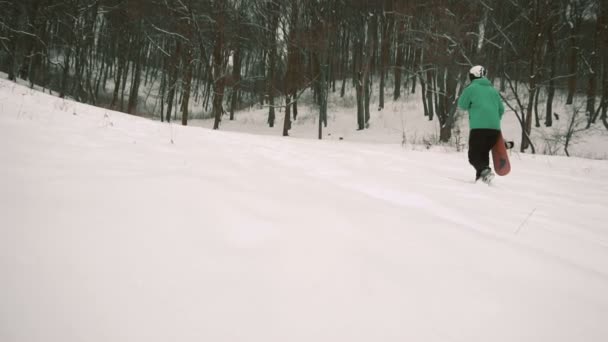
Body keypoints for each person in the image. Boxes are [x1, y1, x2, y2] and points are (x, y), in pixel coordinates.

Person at [457, 65, 505, 183]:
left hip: (479, 128)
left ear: (472, 76)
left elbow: (462, 105)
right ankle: (481, 179)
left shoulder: (471, 88)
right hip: (494, 129)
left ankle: (485, 171)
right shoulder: (493, 90)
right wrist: (493, 120)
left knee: (473, 156)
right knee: (483, 154)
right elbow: (501, 109)